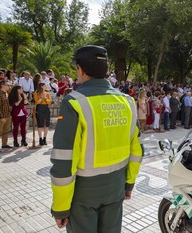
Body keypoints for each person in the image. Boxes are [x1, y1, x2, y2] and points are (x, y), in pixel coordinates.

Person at [50, 45, 143, 233]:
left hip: (84, 194)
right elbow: (137, 149)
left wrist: (60, 207)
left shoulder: (74, 102)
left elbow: (64, 159)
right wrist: (129, 182)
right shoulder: (127, 101)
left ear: (80, 70)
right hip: (116, 187)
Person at [0, 81, 12, 152]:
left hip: (7, 115)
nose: (9, 86)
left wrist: (9, 115)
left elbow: (7, 106)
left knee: (6, 130)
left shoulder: (6, 93)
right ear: (3, 86)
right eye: (8, 85)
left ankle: (4, 144)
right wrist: (2, 117)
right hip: (0, 117)